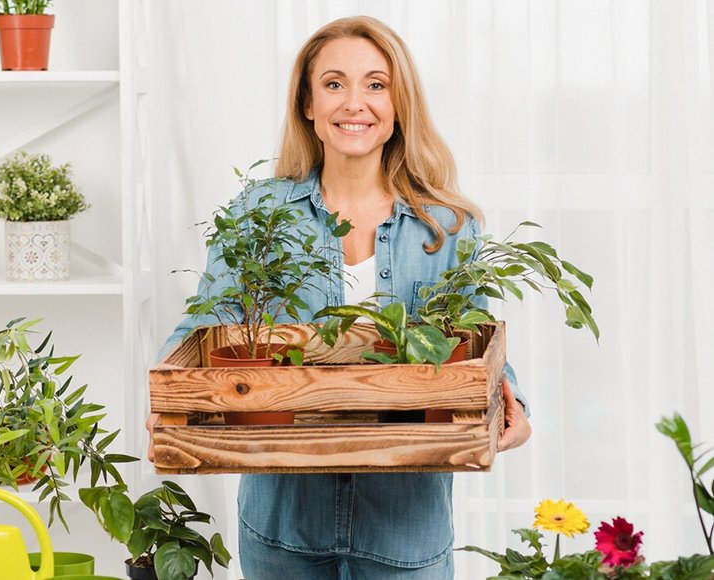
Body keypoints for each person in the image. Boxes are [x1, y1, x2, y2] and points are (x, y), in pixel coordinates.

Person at [160, 15, 531, 579]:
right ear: (308, 104)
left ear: (399, 104)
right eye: (334, 83)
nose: (354, 103)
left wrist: (513, 402)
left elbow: (473, 338)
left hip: (406, 528)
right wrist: (169, 393)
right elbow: (211, 322)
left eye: (375, 84)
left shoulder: (448, 226)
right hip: (282, 524)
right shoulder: (259, 214)